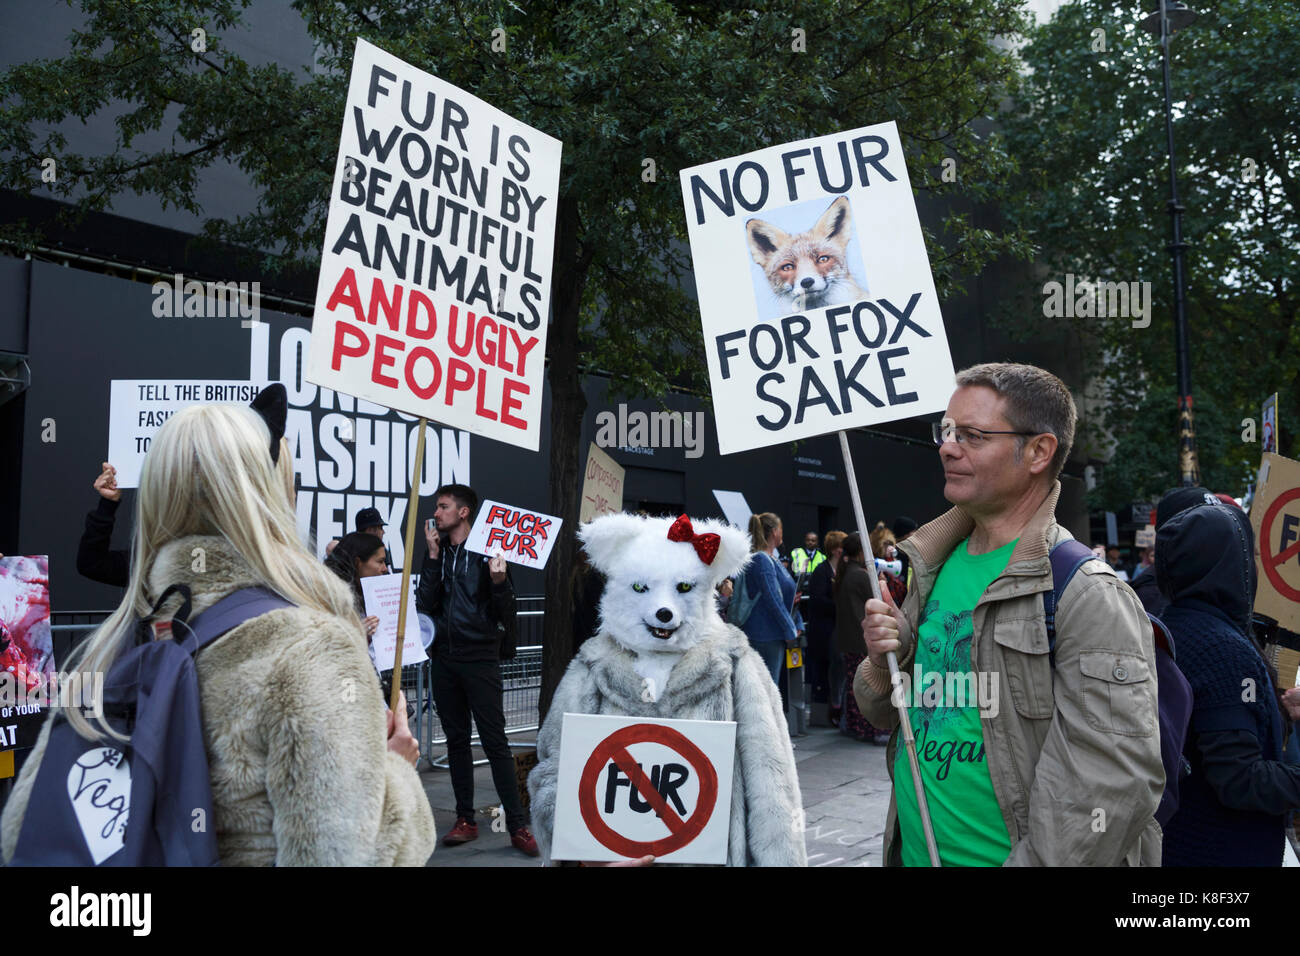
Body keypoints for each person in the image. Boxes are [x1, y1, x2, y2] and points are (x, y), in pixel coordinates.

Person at [1, 403, 435, 865]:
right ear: (268, 493)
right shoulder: (312, 647)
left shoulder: (114, 646)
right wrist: (397, 773)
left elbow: (22, 837)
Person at [857, 362, 1162, 866]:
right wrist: (885, 659)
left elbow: (1112, 783)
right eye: (947, 430)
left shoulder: (1086, 593)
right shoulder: (932, 566)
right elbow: (885, 714)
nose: (947, 446)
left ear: (1039, 451)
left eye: (973, 435)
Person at [1155, 496, 1300, 866]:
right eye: (1248, 557)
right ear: (1230, 567)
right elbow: (1239, 780)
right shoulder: (1222, 649)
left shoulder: (1167, 626)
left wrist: (1271, 712)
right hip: (1221, 853)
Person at [415, 483, 538, 857]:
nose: (436, 514)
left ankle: (517, 824)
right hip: (445, 660)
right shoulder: (436, 551)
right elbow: (425, 603)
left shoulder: (491, 552)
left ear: (463, 512)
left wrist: (499, 584)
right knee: (455, 741)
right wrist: (433, 557)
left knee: (494, 741)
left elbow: (506, 612)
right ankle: (465, 820)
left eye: (443, 507)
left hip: (480, 659)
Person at [835, 534, 891, 744]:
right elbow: (882, 600)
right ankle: (866, 730)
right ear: (861, 552)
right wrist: (882, 581)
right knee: (865, 685)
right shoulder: (859, 575)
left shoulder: (846, 573)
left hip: (848, 639)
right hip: (861, 640)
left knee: (852, 685)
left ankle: (852, 726)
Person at [737, 512, 797, 688]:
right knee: (767, 691)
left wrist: (795, 624)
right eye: (781, 529)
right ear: (775, 531)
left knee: (770, 690)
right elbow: (773, 600)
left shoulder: (772, 559)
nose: (782, 533)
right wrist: (790, 630)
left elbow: (782, 597)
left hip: (773, 635)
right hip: (764, 637)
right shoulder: (761, 560)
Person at [805, 530, 845, 726]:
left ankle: (836, 709)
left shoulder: (842, 571)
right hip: (824, 632)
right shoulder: (822, 571)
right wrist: (842, 606)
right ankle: (823, 714)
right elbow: (818, 601)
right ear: (837, 550)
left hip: (836, 629)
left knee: (837, 671)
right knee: (823, 672)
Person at [354, 507, 394, 571]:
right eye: (380, 561)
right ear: (371, 530)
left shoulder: (384, 551)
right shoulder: (350, 553)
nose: (383, 532)